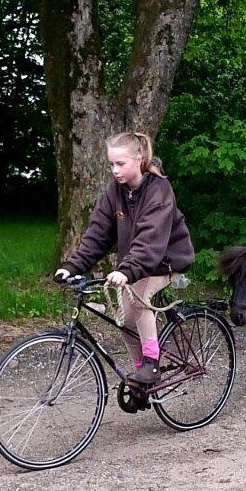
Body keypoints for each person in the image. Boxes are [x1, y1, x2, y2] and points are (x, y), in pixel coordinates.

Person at [55, 131, 195, 385]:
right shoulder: (114, 192)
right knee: (125, 320)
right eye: (111, 164)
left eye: (121, 164)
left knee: (137, 300)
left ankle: (152, 365)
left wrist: (128, 270)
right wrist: (73, 267)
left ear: (139, 159)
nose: (115, 170)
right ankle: (141, 375)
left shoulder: (159, 189)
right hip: (138, 262)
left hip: (165, 259)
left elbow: (150, 239)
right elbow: (98, 234)